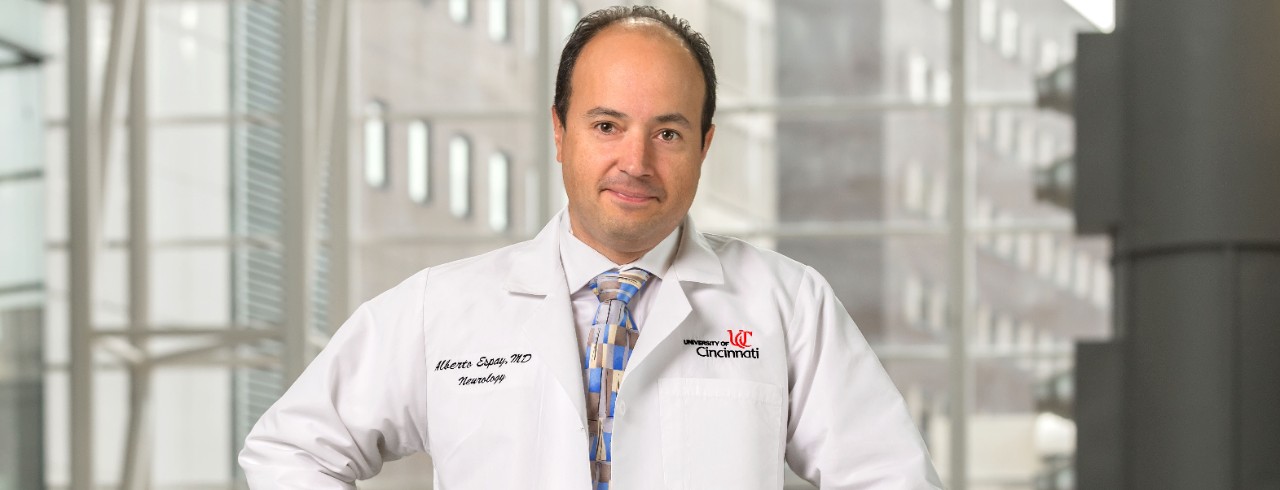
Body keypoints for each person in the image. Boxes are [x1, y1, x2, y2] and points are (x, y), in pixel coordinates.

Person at [239, 5, 942, 489]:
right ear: (559, 131)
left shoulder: (787, 305)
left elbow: (890, 476)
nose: (635, 161)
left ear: (704, 145)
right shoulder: (441, 309)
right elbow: (290, 449)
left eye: (667, 132)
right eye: (607, 125)